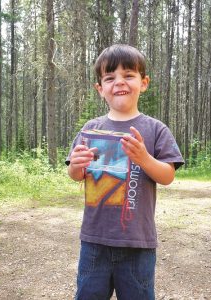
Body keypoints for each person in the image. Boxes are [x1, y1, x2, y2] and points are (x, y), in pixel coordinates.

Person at [66, 44, 184, 300]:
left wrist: (144, 158)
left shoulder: (155, 129)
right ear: (100, 89)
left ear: (143, 82)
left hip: (137, 243)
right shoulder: (91, 128)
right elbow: (76, 175)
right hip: (94, 240)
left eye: (128, 75)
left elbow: (168, 176)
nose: (119, 82)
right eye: (110, 77)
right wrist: (76, 165)